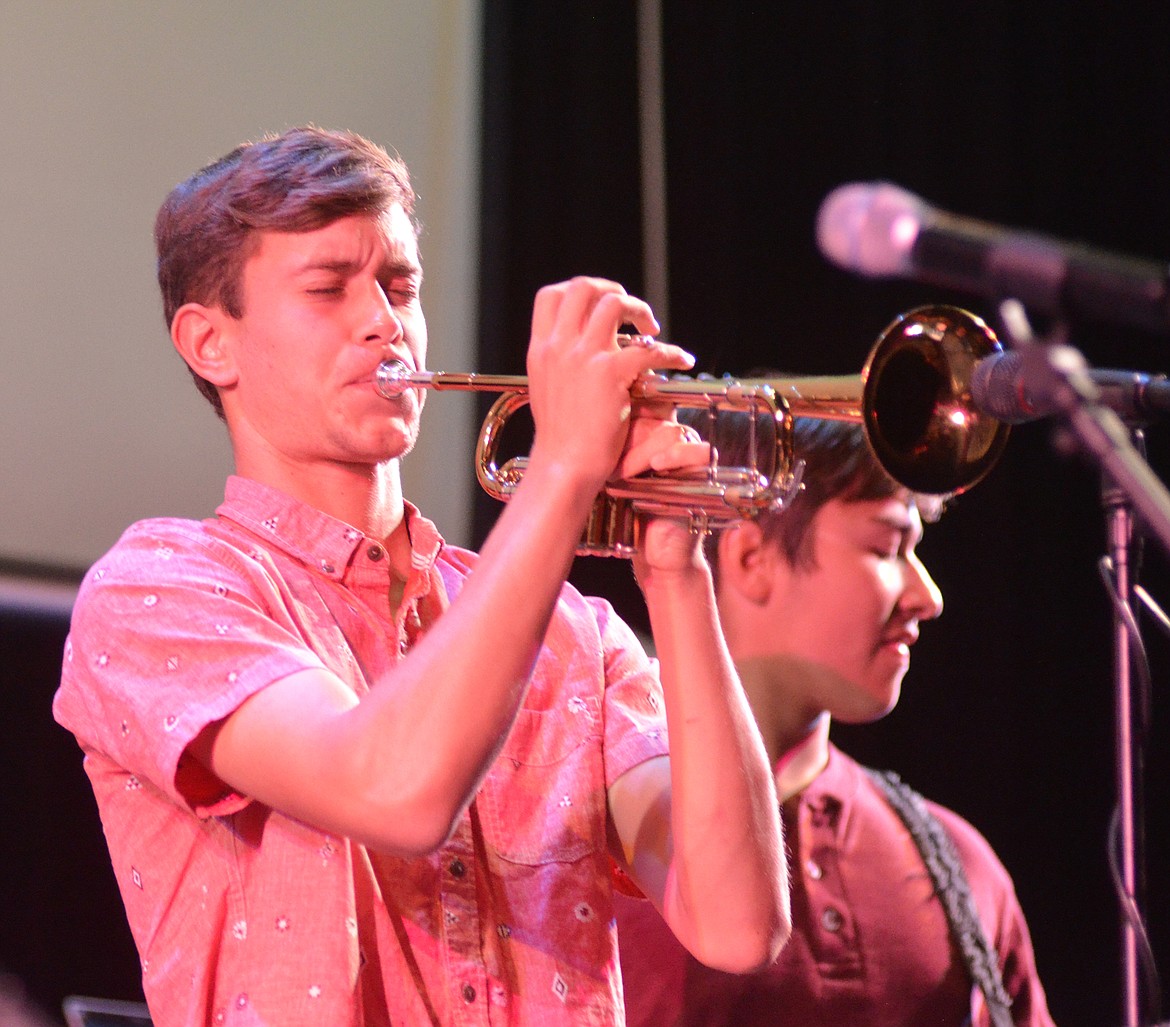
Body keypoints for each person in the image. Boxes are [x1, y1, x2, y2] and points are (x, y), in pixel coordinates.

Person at [52, 126, 789, 1026]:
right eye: (328, 288)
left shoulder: (575, 631)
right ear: (211, 343)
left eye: (400, 286)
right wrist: (561, 470)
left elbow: (739, 925)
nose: (384, 320)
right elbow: (395, 791)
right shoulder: (159, 588)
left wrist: (678, 569)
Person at [615, 411, 1054, 1026]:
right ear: (751, 558)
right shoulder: (586, 848)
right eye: (886, 546)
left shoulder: (961, 866)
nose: (929, 596)